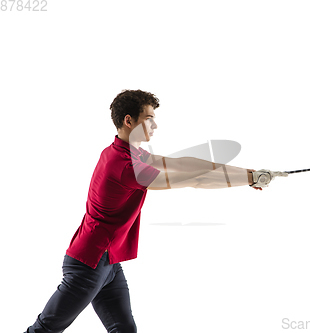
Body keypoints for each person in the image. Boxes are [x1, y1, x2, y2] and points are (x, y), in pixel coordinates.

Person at [24, 89, 267, 333]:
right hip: (89, 264)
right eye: (149, 118)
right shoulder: (125, 167)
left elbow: (182, 163)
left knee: (124, 330)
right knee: (44, 329)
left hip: (109, 263)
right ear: (129, 121)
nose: (155, 125)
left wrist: (250, 174)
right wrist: (248, 179)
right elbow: (196, 180)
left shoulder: (126, 153)